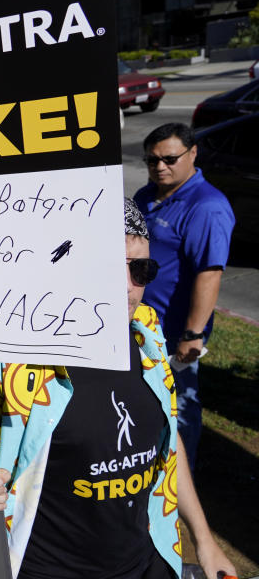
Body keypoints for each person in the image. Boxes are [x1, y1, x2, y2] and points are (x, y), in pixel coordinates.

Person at [0, 199, 236, 579]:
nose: (127, 286)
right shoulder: (14, 355)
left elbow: (168, 440)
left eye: (140, 270)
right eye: (110, 267)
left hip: (144, 563)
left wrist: (205, 541)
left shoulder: (147, 333)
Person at [133, 123, 235, 468]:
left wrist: (192, 335)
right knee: (146, 401)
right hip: (141, 323)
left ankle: (179, 478)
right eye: (151, 160)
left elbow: (209, 274)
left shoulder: (207, 206)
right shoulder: (148, 196)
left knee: (180, 408)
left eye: (169, 158)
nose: (160, 167)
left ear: (192, 154)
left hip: (174, 333)